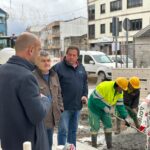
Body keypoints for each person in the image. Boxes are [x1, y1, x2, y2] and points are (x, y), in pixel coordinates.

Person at [0, 32, 51, 150]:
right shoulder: (26, 76)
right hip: (29, 143)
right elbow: (37, 115)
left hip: (9, 140)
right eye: (38, 50)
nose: (39, 55)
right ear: (31, 50)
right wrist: (45, 99)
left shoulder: (2, 70)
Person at [53, 46, 88, 147]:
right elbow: (52, 86)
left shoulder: (81, 68)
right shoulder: (58, 68)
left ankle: (72, 148)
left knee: (73, 131)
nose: (71, 57)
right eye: (69, 55)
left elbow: (84, 83)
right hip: (64, 107)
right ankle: (62, 148)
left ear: (77, 57)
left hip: (77, 106)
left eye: (74, 55)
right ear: (66, 55)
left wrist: (85, 95)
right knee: (63, 131)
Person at [33, 50, 64, 150]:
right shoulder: (32, 77)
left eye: (48, 60)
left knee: (49, 144)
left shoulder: (54, 75)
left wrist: (60, 108)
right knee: (39, 146)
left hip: (51, 118)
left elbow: (59, 93)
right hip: (40, 119)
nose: (46, 63)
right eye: (43, 61)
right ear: (37, 62)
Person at [88, 77, 129, 149]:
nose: (123, 90)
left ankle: (109, 147)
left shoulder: (120, 93)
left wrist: (125, 117)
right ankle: (93, 147)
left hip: (106, 109)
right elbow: (95, 99)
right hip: (94, 108)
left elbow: (120, 106)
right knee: (95, 127)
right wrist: (104, 107)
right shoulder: (104, 86)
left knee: (108, 126)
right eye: (122, 88)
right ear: (118, 85)